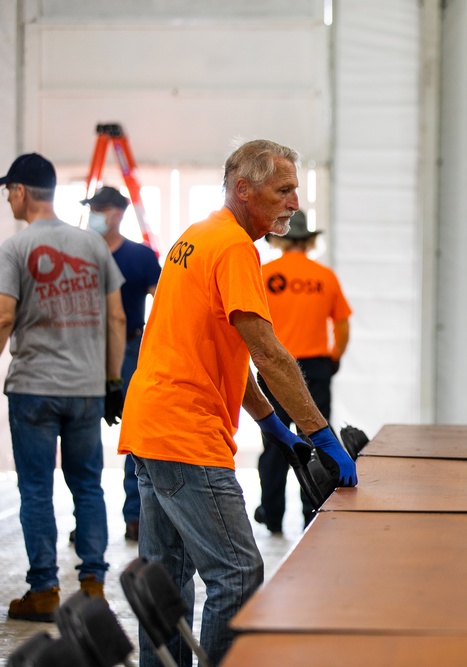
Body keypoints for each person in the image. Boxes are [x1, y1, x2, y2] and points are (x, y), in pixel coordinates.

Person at [118, 139, 358, 665]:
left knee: (166, 581)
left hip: (151, 425)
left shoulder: (198, 236)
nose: (294, 203)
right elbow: (268, 353)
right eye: (284, 190)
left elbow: (225, 348)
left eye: (296, 190)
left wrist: (271, 421)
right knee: (239, 573)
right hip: (186, 432)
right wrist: (321, 434)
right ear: (244, 189)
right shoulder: (233, 248)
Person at [0, 153, 126, 621]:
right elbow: (117, 316)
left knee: (35, 488)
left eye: (7, 191)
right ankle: (93, 586)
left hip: (34, 388)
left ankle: (44, 591)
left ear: (19, 192)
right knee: (87, 485)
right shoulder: (94, 245)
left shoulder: (14, 249)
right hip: (86, 388)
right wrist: (113, 380)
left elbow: (4, 316)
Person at [254, 209, 352, 534]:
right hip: (314, 368)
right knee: (316, 439)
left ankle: (272, 514)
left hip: (273, 367)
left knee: (275, 443)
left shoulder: (264, 275)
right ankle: (314, 510)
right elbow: (341, 325)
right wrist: (333, 358)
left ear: (279, 239)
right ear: (309, 241)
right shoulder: (324, 276)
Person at [81, 185, 160, 542]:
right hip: (83, 351)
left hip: (129, 350)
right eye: (92, 207)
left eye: (102, 207)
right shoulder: (79, 252)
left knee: (135, 435)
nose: (96, 213)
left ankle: (135, 516)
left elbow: (163, 302)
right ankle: (87, 519)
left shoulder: (141, 257)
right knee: (82, 437)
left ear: (118, 213)